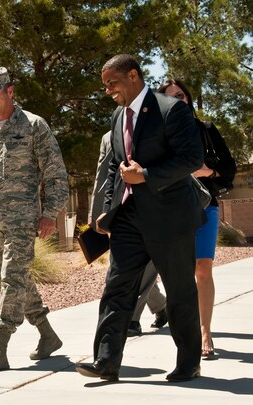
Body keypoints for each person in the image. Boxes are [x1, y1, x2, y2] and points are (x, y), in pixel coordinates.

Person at [77, 54, 205, 382]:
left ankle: (188, 362)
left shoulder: (170, 109)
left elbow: (191, 158)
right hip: (128, 219)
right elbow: (113, 167)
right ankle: (106, 361)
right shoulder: (117, 117)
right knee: (116, 288)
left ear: (133, 76)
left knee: (179, 292)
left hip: (170, 218)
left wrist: (146, 175)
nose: (108, 90)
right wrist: (107, 209)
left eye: (112, 83)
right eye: (104, 85)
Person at [0, 67, 69, 370]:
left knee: (12, 277)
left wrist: (49, 214)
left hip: (24, 220)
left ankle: (0, 346)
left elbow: (56, 175)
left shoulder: (34, 126)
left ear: (10, 91)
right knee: (14, 278)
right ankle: (47, 335)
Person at [157, 78, 237, 359]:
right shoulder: (157, 133)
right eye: (170, 97)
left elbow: (228, 166)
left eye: (181, 95)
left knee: (203, 268)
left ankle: (205, 333)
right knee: (179, 273)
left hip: (204, 205)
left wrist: (209, 172)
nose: (178, 100)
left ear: (188, 98)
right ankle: (187, 332)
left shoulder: (204, 129)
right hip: (171, 209)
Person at [89, 131, 168, 338]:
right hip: (120, 213)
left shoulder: (161, 128)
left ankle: (131, 318)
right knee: (125, 267)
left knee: (147, 267)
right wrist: (97, 213)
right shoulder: (110, 136)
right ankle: (161, 307)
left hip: (156, 211)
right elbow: (103, 174)